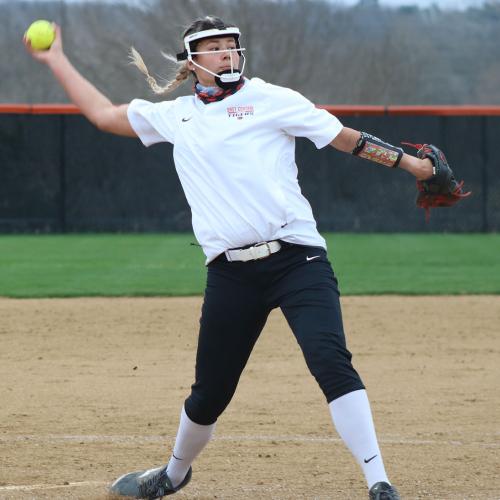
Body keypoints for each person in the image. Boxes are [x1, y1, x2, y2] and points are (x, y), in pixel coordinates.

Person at [24, 15, 436, 500]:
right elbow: (102, 115)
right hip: (231, 274)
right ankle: (172, 475)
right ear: (193, 60)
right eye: (215, 47)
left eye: (231, 46)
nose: (227, 54)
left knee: (330, 360)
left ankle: (380, 482)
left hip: (298, 260)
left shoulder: (272, 98)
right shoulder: (176, 116)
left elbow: (348, 139)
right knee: (210, 393)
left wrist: (414, 166)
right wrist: (56, 60)